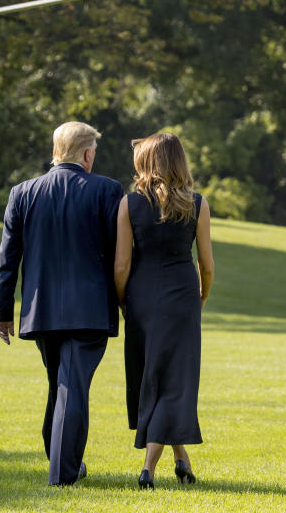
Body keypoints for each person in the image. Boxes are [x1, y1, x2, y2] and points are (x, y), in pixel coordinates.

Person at [0, 121, 124, 485]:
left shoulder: (23, 192)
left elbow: (8, 259)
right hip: (91, 310)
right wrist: (127, 301)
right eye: (93, 153)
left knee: (61, 383)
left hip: (42, 310)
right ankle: (63, 473)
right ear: (86, 154)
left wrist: (2, 313)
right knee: (71, 385)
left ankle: (60, 458)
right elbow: (120, 256)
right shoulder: (108, 191)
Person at [114, 132, 214, 489]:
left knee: (152, 376)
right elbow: (207, 265)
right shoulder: (197, 204)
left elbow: (121, 266)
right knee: (174, 381)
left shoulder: (129, 204)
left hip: (142, 298)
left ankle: (175, 460)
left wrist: (124, 299)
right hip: (182, 297)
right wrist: (201, 296)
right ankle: (150, 468)